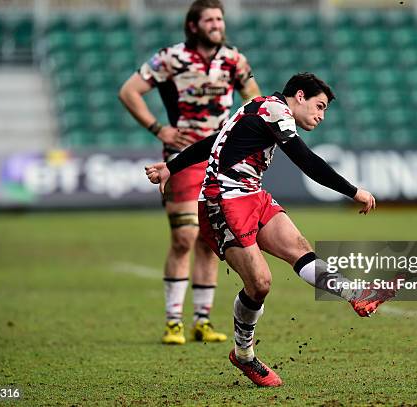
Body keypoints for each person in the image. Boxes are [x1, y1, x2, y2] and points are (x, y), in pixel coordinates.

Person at [144, 73, 399, 387]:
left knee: (298, 248)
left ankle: (357, 295)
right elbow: (306, 160)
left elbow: (216, 141)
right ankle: (244, 355)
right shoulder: (274, 110)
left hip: (252, 195)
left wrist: (172, 165)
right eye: (319, 106)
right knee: (261, 283)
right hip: (221, 201)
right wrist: (352, 191)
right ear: (300, 96)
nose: (320, 115)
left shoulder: (260, 107)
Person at [118, 0, 261, 345]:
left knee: (208, 242)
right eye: (209, 19)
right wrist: (158, 128)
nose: (216, 24)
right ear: (194, 25)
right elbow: (129, 91)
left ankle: (201, 320)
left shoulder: (234, 59)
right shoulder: (171, 57)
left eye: (219, 19)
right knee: (183, 238)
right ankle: (172, 322)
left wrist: (245, 126)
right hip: (181, 157)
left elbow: (252, 96)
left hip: (220, 158)